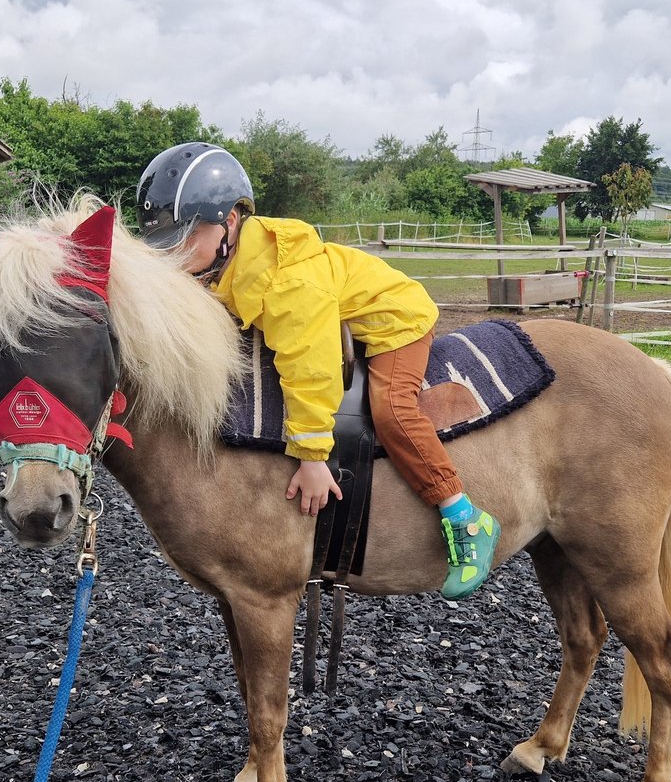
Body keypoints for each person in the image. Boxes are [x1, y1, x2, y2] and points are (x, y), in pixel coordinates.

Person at [135, 141, 500, 600]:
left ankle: (462, 515)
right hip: (345, 311)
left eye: (185, 239)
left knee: (392, 411)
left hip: (395, 322)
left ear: (230, 222)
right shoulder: (228, 263)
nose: (175, 256)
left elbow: (314, 367)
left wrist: (311, 457)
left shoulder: (289, 285)